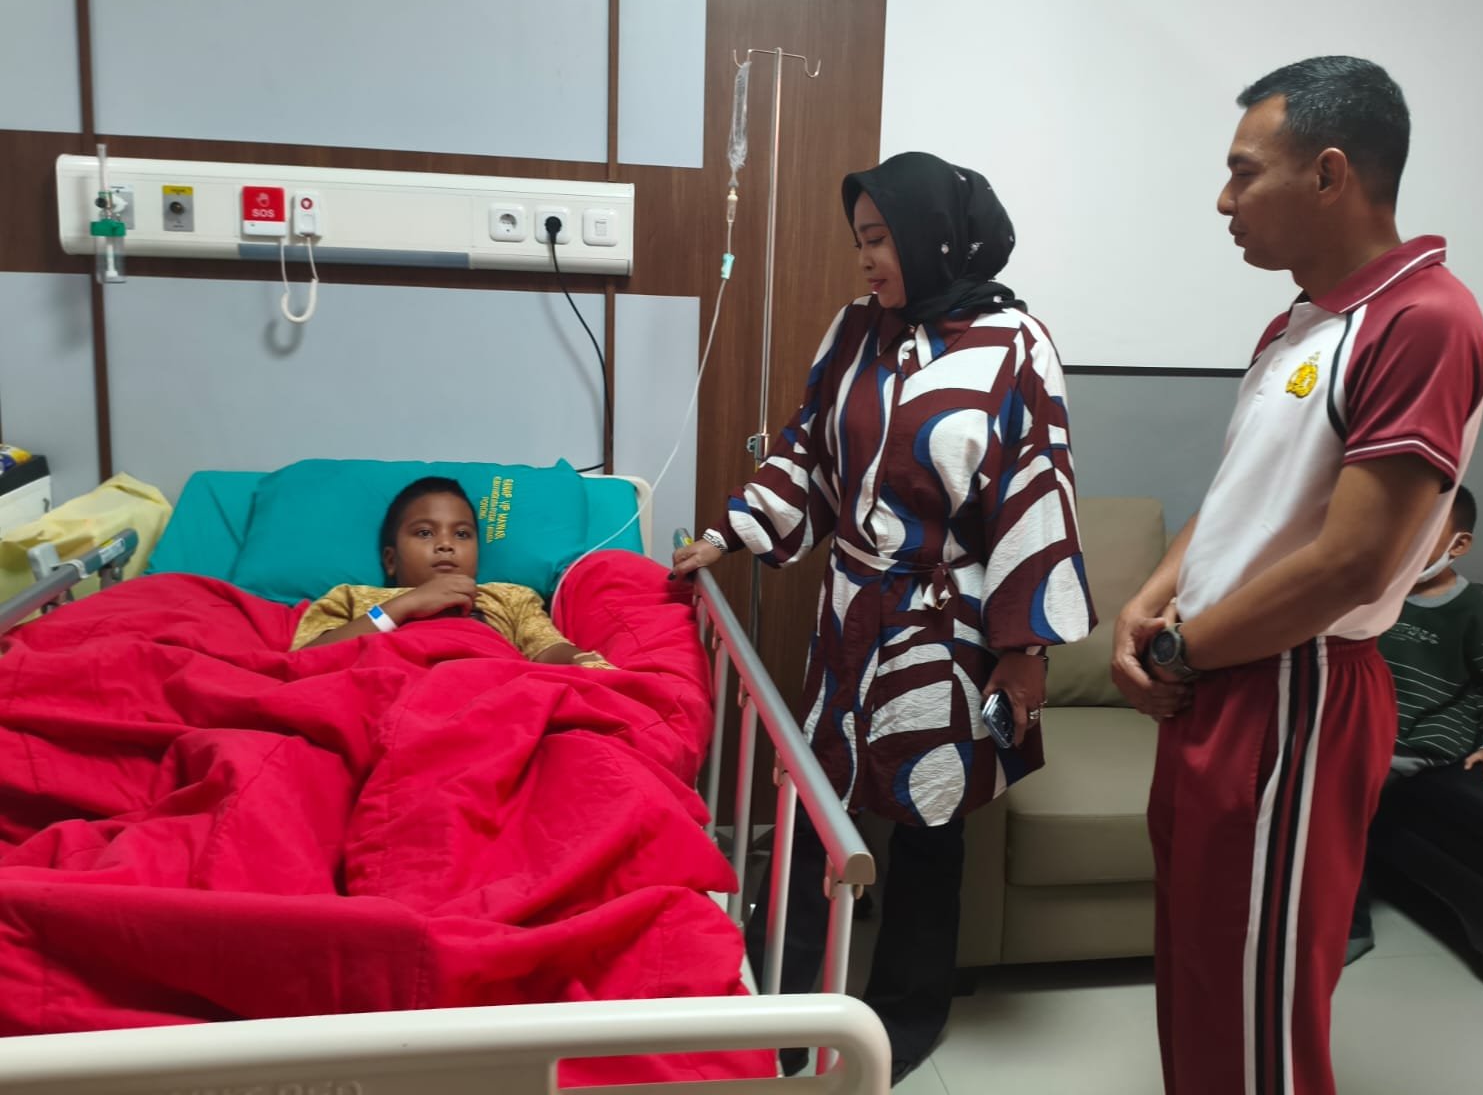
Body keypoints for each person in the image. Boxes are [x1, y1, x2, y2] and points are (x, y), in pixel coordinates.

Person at [1110, 57, 1483, 1095]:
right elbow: (1245, 496)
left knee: (1257, 1005)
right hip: (1224, 675)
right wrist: (1147, 601)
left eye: (1244, 172)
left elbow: (1353, 563)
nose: (1223, 200)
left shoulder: (1424, 318)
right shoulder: (1296, 325)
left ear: (1328, 174)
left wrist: (1185, 647)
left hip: (1295, 686)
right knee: (1200, 971)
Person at [672, 152, 1094, 1083]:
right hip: (851, 611)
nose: (865, 259)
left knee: (931, 825)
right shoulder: (857, 329)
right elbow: (807, 452)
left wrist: (1024, 652)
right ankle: (781, 1005)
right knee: (817, 806)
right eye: (859, 240)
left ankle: (907, 1016)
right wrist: (728, 533)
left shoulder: (1016, 345)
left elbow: (1037, 494)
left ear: (934, 237)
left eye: (880, 240)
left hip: (950, 626)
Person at [1346, 484, 1483, 962]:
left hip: (1419, 734)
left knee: (1340, 807)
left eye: (1422, 531)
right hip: (1365, 722)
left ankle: (1351, 927)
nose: (1405, 541)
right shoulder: (1383, 592)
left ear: (1458, 544)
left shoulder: (1472, 610)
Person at [293, 475, 609, 666]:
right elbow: (305, 661)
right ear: (390, 560)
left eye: (461, 534)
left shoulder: (507, 598)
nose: (446, 544)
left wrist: (579, 659)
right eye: (424, 533)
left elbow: (546, 648)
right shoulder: (353, 598)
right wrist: (404, 606)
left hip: (488, 695)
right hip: (383, 693)